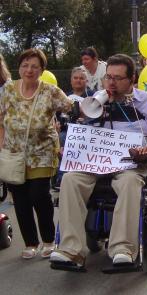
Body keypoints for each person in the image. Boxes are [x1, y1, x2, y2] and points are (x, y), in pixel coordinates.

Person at [50, 54, 147, 269]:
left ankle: (123, 248)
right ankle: (70, 250)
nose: (111, 83)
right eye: (108, 77)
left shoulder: (145, 101)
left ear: (132, 79)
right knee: (70, 180)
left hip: (130, 164)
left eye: (117, 78)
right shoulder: (97, 98)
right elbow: (84, 134)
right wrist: (70, 150)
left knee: (128, 183)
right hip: (97, 163)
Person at [0, 48, 73, 259]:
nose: (29, 70)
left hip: (43, 151)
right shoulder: (8, 90)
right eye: (25, 65)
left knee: (39, 195)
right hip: (14, 154)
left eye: (34, 66)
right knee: (21, 200)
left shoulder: (50, 91)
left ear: (42, 70)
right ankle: (31, 242)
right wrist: (2, 146)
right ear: (19, 67)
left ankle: (49, 240)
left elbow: (70, 106)